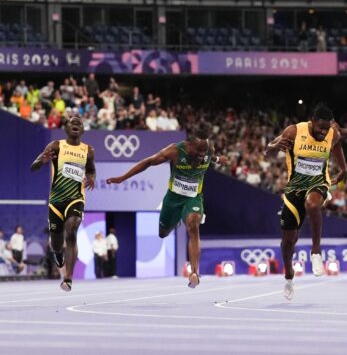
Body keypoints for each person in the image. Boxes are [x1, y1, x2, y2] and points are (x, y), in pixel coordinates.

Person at [106, 129, 228, 288]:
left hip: (194, 197)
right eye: (198, 152)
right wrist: (122, 178)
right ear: (189, 146)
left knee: (193, 224)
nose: (201, 156)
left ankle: (194, 272)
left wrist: (218, 159)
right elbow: (148, 162)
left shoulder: (207, 150)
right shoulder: (175, 151)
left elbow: (210, 156)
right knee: (163, 233)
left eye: (203, 153)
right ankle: (174, 220)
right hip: (173, 198)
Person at [266, 104, 347, 300]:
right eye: (320, 127)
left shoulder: (332, 133)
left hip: (318, 183)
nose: (323, 132)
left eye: (326, 128)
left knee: (313, 204)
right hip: (294, 188)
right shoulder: (294, 131)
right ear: (312, 121)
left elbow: (336, 147)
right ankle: (289, 275)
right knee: (288, 242)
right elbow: (268, 152)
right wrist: (275, 147)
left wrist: (343, 169)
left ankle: (316, 251)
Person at [31, 116, 96, 291]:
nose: (76, 124)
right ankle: (58, 253)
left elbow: (91, 170)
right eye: (72, 122)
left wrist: (91, 178)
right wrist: (42, 161)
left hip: (75, 198)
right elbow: (34, 166)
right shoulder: (56, 146)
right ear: (66, 128)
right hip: (55, 201)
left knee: (71, 231)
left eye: (79, 123)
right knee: (57, 241)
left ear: (82, 130)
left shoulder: (88, 150)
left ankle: (68, 278)